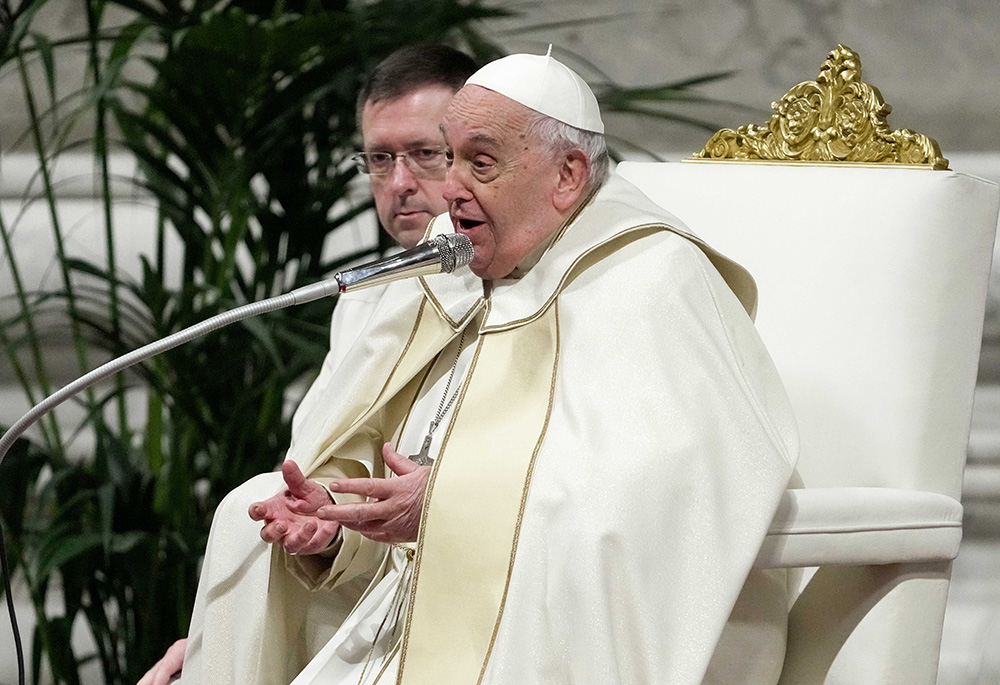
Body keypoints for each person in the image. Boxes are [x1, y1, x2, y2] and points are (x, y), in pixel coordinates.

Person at [156, 50, 799, 685]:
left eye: (479, 163)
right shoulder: (447, 281)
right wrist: (334, 521)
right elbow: (385, 487)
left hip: (538, 635)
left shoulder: (650, 279)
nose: (450, 188)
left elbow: (673, 496)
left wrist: (453, 500)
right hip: (398, 624)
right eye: (451, 157)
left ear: (568, 175)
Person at [136, 43, 477, 685]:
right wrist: (219, 632)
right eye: (380, 159)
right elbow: (348, 477)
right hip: (360, 591)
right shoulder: (366, 298)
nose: (400, 183)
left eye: (426, 155)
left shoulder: (525, 295)